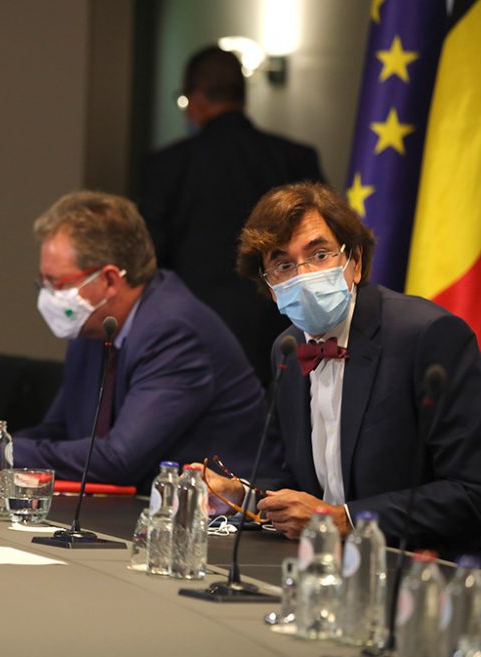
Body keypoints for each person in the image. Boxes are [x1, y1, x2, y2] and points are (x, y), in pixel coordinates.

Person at [0, 191, 267, 490]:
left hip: (228, 521)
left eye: (58, 284)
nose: (48, 297)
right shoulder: (93, 326)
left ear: (110, 280)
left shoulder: (174, 330)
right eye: (42, 283)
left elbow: (119, 459)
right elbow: (61, 430)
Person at [205, 182, 481, 553]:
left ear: (356, 262)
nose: (303, 274)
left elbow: (470, 490)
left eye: (319, 254)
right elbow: (300, 484)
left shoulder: (427, 335)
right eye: (284, 264)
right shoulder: (287, 349)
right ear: (270, 287)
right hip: (322, 568)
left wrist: (345, 519)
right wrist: (242, 493)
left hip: (423, 568)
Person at [137, 45, 324, 387]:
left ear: (196, 99)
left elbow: (150, 260)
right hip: (282, 334)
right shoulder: (295, 159)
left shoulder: (168, 166)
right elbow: (319, 252)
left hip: (193, 337)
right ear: (243, 97)